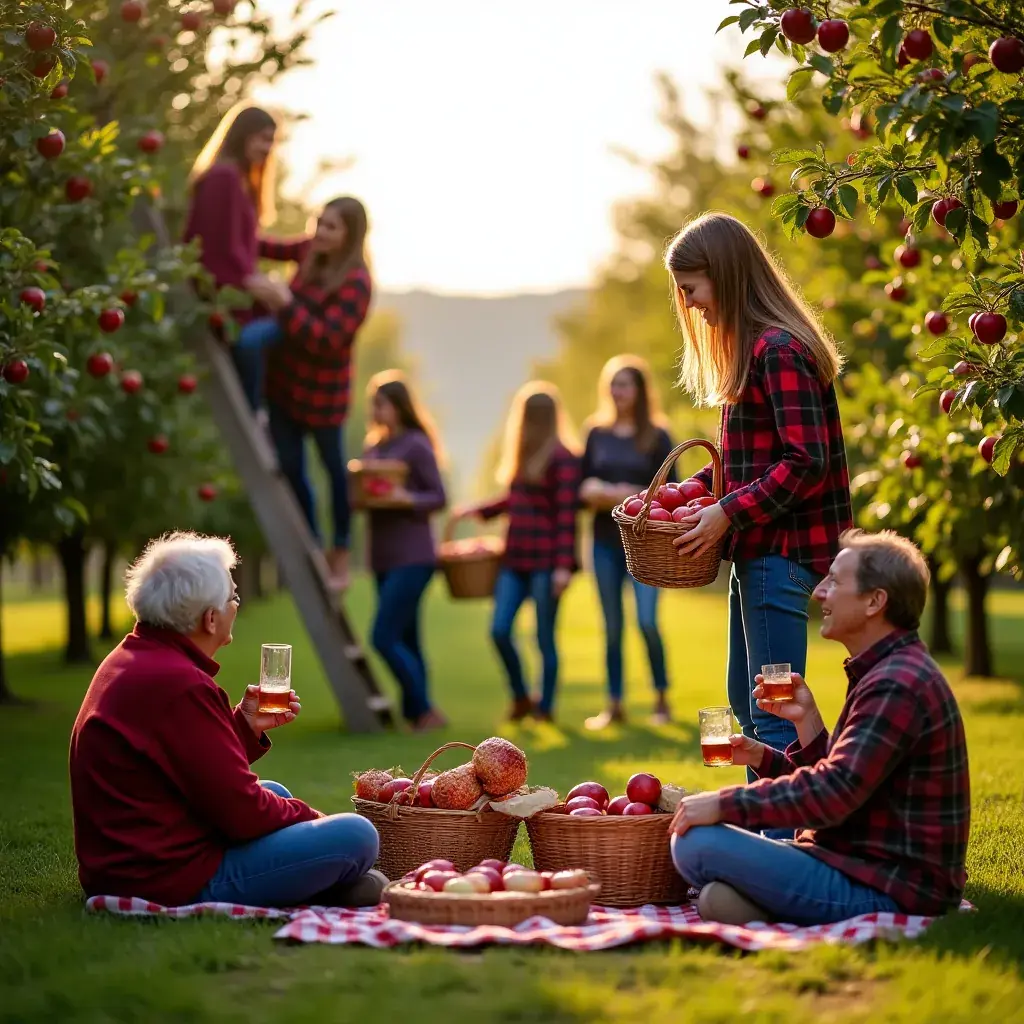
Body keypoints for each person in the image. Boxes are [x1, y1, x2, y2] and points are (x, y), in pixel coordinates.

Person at [668, 530, 971, 927]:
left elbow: (834, 793)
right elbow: (854, 785)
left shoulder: (897, 683)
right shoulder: (887, 669)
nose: (819, 593)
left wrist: (723, 804)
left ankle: (781, 900)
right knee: (715, 896)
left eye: (834, 582)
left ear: (874, 601)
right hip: (859, 860)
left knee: (695, 843)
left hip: (889, 885)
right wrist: (775, 749)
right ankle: (772, 901)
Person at [68, 532, 385, 909]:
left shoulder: (135, 657)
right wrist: (313, 819)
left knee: (277, 793)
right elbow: (242, 813)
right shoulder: (179, 684)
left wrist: (242, 727)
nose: (237, 602)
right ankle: (331, 880)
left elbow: (192, 770)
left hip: (131, 858)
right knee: (356, 835)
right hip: (164, 877)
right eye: (234, 596)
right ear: (211, 617)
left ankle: (327, 880)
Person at [665, 212, 853, 801]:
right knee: (750, 704)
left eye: (692, 288)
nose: (690, 304)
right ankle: (768, 829)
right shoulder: (754, 350)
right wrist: (686, 492)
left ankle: (775, 841)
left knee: (771, 712)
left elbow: (806, 460)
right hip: (759, 554)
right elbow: (738, 461)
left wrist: (727, 512)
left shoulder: (777, 350)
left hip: (781, 555)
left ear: (724, 275)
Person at [243, 196, 372, 592]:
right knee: (293, 470)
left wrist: (284, 304)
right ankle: (313, 546)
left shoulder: (357, 283)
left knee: (335, 474)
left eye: (332, 227)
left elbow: (327, 339)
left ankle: (340, 554)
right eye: (320, 222)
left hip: (323, 399)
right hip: (285, 389)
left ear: (351, 235)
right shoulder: (307, 250)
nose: (321, 232)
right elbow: (262, 243)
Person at [453, 382, 581, 722]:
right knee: (499, 629)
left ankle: (546, 707)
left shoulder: (564, 459)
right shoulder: (523, 455)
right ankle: (522, 695)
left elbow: (567, 515)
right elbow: (516, 500)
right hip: (515, 559)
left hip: (546, 562)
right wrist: (481, 510)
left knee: (544, 636)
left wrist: (563, 566)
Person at [579, 355, 675, 729]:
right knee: (612, 626)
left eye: (626, 384)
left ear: (639, 390)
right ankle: (614, 704)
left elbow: (674, 489)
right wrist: (600, 492)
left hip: (647, 546)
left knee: (648, 621)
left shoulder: (657, 435)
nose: (619, 391)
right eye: (614, 384)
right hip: (604, 542)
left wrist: (629, 493)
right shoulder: (595, 433)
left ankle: (661, 698)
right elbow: (581, 487)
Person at [362, 371, 448, 732]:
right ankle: (418, 716)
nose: (376, 410)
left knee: (383, 636)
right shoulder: (373, 449)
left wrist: (405, 497)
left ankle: (425, 708)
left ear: (398, 406)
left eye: (382, 403)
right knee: (408, 639)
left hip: (414, 557)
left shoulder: (416, 445)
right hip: (383, 556)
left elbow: (439, 497)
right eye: (374, 404)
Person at [183, 104, 280, 408]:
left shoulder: (237, 180)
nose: (267, 148)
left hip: (237, 297)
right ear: (243, 136)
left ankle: (260, 414)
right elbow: (212, 249)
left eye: (271, 141)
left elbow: (241, 246)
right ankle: (258, 414)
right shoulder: (223, 178)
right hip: (224, 303)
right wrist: (249, 284)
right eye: (262, 139)